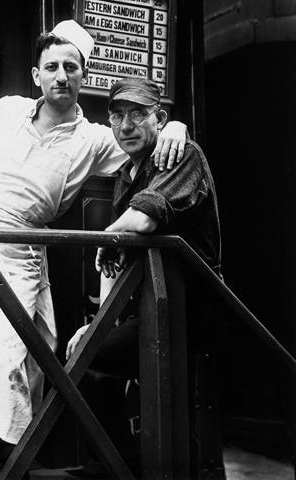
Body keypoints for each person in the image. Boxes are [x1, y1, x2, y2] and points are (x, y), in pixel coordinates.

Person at [0, 21, 188, 457]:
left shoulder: (95, 138)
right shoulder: (10, 109)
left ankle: (3, 453)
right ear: (36, 75)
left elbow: (147, 143)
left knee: (40, 346)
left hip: (20, 246)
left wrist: (177, 127)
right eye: (51, 66)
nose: (61, 75)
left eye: (70, 67)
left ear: (83, 75)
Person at [66, 76, 222, 478]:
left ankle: (118, 467)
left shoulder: (180, 152)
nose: (126, 125)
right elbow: (117, 266)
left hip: (191, 309)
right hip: (151, 308)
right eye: (117, 116)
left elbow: (145, 217)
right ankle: (118, 465)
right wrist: (97, 324)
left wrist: (109, 237)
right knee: (87, 358)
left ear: (161, 118)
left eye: (138, 114)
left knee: (163, 399)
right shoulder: (125, 174)